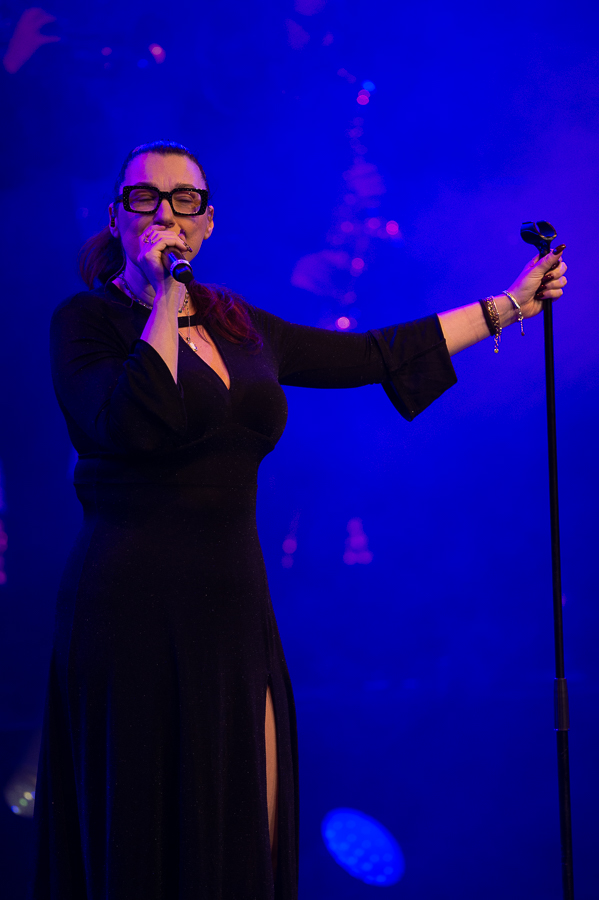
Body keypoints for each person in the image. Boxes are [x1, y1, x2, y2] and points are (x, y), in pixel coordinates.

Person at [31, 140, 567, 900]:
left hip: (231, 600)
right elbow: (129, 423)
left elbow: (370, 355)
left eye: (185, 199)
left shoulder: (237, 323)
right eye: (144, 197)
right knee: (144, 826)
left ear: (207, 222)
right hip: (130, 603)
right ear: (117, 217)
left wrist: (507, 305)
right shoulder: (86, 321)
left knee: (246, 821)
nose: (165, 214)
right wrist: (164, 299)